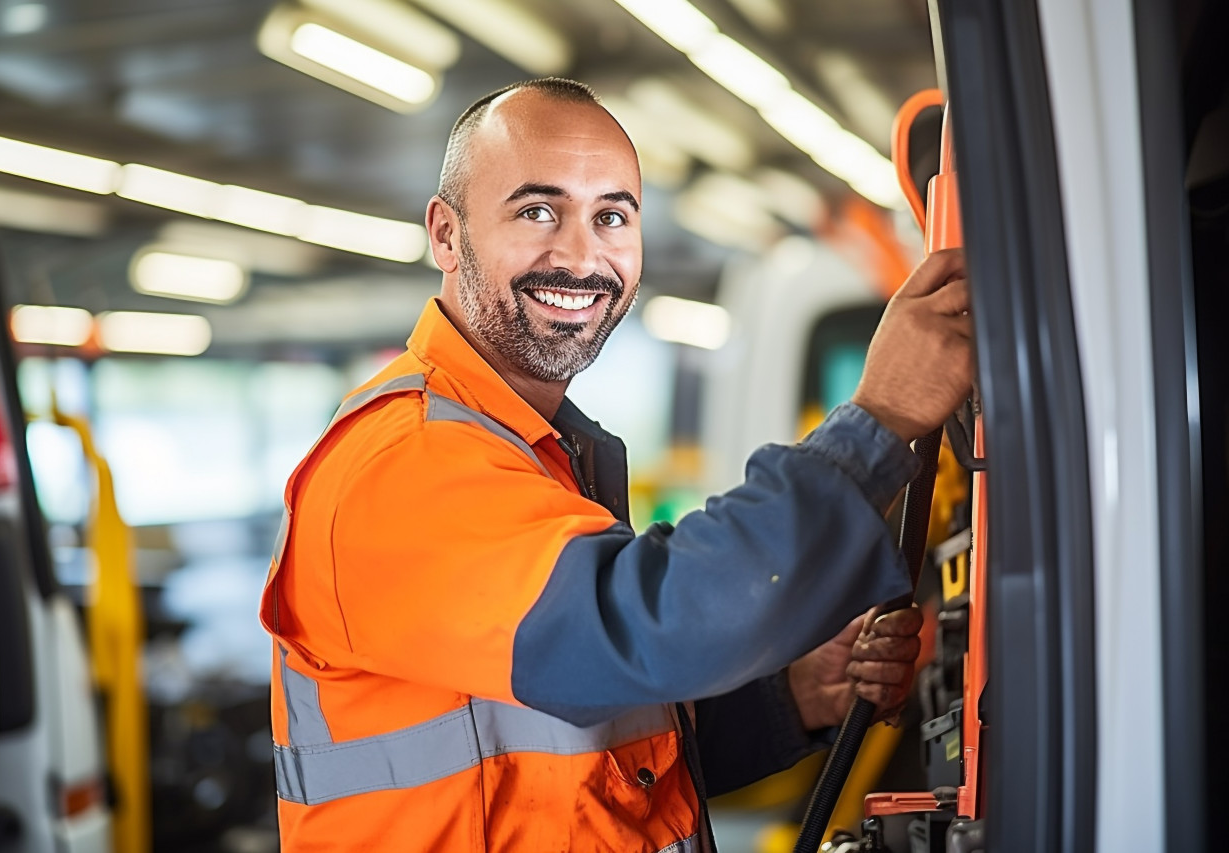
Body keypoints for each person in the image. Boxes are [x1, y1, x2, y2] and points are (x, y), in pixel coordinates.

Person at [260, 77, 973, 852]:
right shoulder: (405, 459)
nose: (580, 254)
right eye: (537, 211)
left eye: (611, 217)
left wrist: (792, 697)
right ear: (445, 233)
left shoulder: (541, 452)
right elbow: (642, 627)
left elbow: (589, 763)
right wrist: (879, 422)